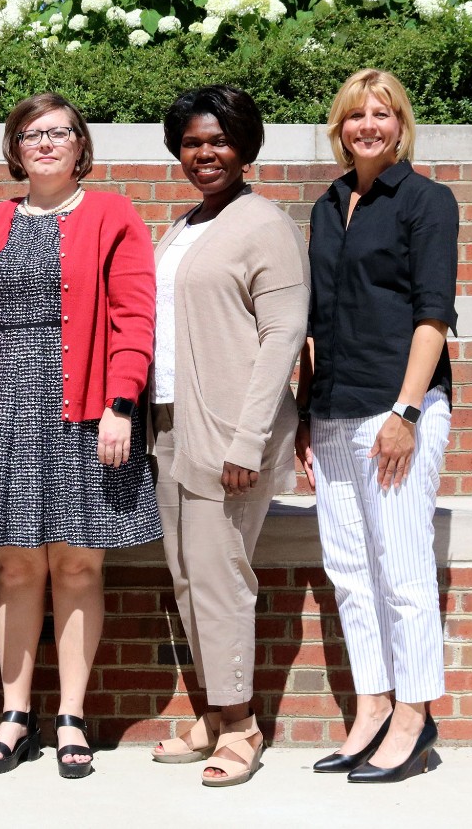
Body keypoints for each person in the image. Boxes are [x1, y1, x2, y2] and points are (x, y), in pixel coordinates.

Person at [0, 92, 161, 780]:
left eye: (59, 133)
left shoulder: (112, 213)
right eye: (31, 134)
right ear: (15, 149)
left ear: (81, 145)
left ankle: (71, 712)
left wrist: (122, 401)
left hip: (86, 409)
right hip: (7, 410)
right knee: (16, 564)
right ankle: (15, 712)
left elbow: (135, 315)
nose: (45, 143)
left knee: (78, 563)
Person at [295, 68, 458, 783]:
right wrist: (304, 413)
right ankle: (371, 708)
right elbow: (314, 324)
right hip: (332, 410)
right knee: (351, 574)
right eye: (356, 114)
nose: (368, 124)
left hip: (396, 412)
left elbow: (433, 314)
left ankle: (415, 719)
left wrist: (407, 410)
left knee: (403, 571)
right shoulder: (328, 205)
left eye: (382, 114)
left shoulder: (426, 200)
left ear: (401, 124)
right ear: (340, 125)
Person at [146, 86, 309, 787]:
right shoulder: (183, 225)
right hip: (171, 422)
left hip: (230, 431)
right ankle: (214, 712)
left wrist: (248, 440)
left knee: (220, 575)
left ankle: (241, 722)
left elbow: (283, 335)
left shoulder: (263, 223)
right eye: (191, 142)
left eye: (217, 140)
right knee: (186, 575)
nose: (204, 153)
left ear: (245, 146)